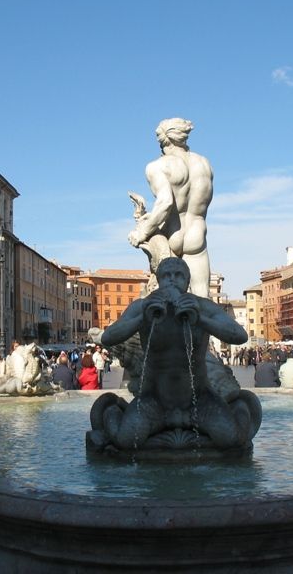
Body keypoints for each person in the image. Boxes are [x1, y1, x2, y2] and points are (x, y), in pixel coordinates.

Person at [99, 257, 251, 450]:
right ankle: (114, 409)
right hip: (155, 400)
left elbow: (240, 336)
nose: (172, 280)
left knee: (230, 439)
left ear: (187, 281)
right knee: (126, 441)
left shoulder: (201, 305)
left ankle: (238, 407)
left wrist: (200, 318)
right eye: (166, 276)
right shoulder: (143, 305)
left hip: (199, 399)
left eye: (178, 275)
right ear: (158, 280)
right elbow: (108, 338)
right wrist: (142, 318)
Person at [128, 118, 213, 297]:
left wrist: (142, 232)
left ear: (162, 141)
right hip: (197, 237)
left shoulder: (157, 166)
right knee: (202, 300)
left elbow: (165, 203)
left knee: (163, 303)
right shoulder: (204, 165)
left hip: (171, 237)